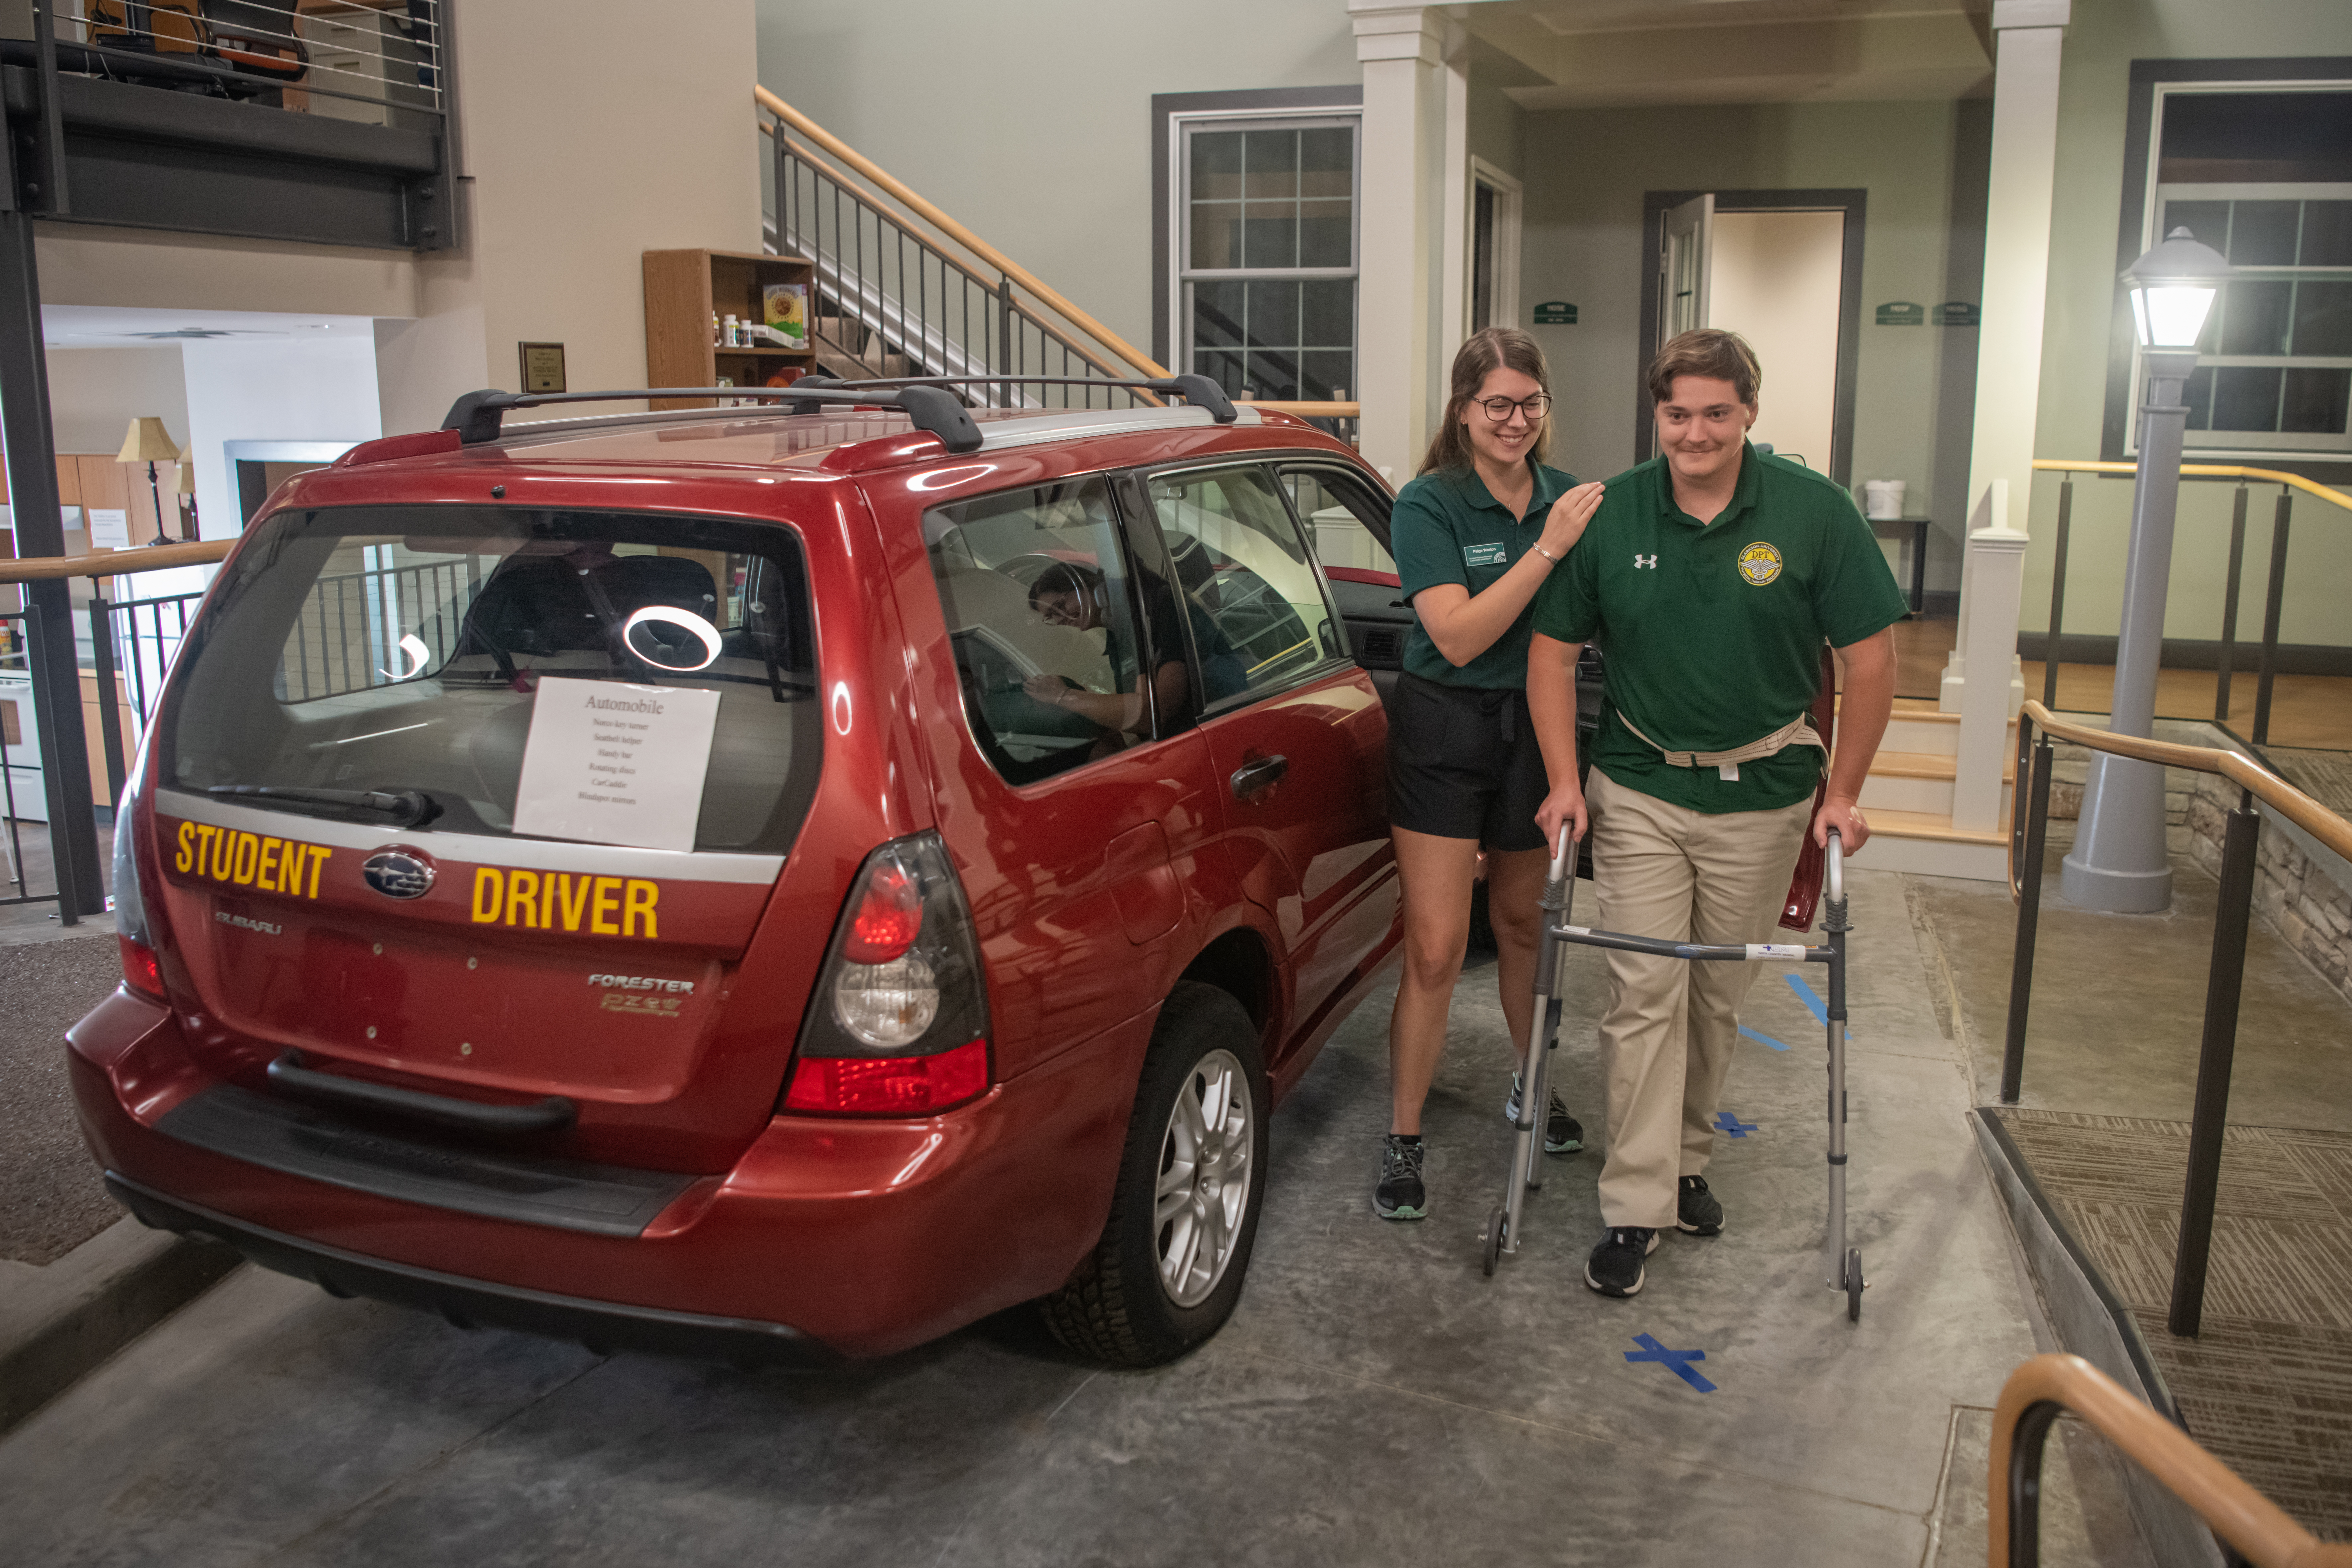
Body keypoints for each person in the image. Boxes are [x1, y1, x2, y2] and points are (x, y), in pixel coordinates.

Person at [1525, 328, 1906, 1298]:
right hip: (1641, 786)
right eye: (1677, 414)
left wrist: (1844, 794)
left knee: (1714, 996)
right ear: (1657, 415)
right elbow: (1552, 657)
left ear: (1749, 413)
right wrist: (1566, 782)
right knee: (1645, 993)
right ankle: (1636, 1204)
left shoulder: (1814, 513)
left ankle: (1683, 1159)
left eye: (1715, 414)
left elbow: (1871, 661)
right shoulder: (1612, 513)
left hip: (1767, 792)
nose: (1695, 433)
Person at [1375, 327, 1606, 1221]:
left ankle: (1531, 1083)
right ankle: (1404, 1135)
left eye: (1529, 403)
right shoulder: (1429, 503)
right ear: (1464, 410)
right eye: (1496, 404)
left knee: (1522, 926)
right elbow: (1461, 636)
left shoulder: (1570, 498)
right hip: (1443, 728)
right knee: (1436, 947)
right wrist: (1547, 549)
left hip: (1537, 728)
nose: (1515, 420)